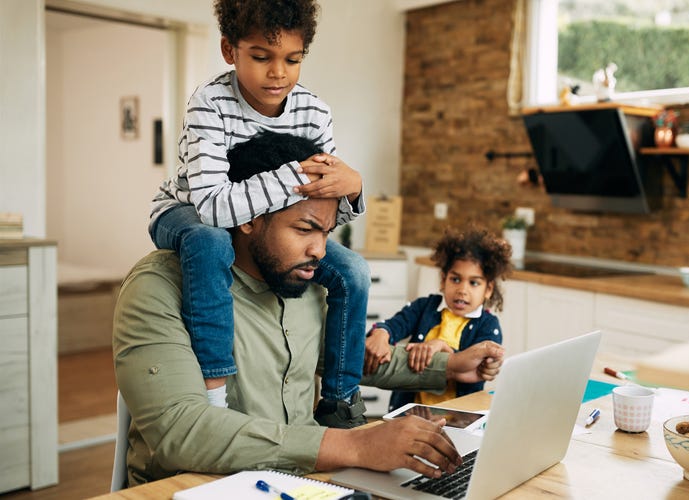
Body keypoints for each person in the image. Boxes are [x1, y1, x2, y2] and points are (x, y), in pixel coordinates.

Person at [114, 131, 506, 486]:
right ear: (248, 216)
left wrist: (450, 368)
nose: (319, 250)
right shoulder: (159, 287)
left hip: (305, 485)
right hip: (197, 488)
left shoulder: (304, 279)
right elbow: (181, 432)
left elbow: (344, 358)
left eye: (326, 232)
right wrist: (355, 446)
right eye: (304, 230)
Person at [148, 0, 370, 428]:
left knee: (354, 271)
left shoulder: (313, 112)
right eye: (261, 57)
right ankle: (214, 394)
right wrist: (292, 177)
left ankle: (340, 398)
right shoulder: (209, 103)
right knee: (211, 243)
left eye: (292, 59)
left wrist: (353, 186)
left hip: (256, 224)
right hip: (186, 209)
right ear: (230, 50)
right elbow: (213, 206)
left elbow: (322, 212)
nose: (278, 73)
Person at [364, 227, 513, 411]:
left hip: (457, 419)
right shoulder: (424, 307)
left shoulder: (489, 326)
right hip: (411, 413)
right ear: (443, 280)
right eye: (455, 279)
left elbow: (474, 365)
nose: (462, 290)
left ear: (488, 289)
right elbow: (394, 325)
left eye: (474, 282)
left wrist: (442, 347)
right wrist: (381, 332)